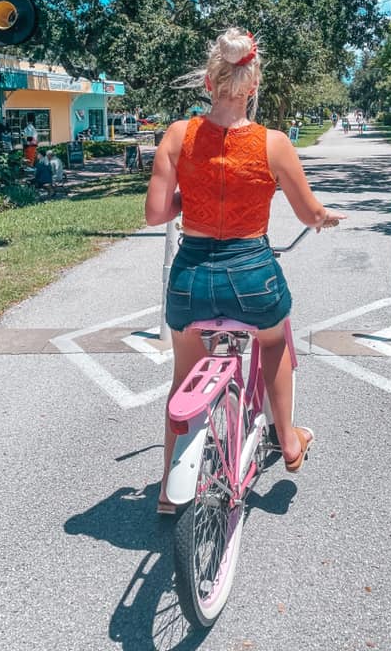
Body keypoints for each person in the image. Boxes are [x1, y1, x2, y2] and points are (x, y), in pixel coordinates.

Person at [145, 27, 346, 515]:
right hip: (251, 275)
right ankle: (291, 442)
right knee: (274, 339)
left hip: (191, 277)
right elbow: (307, 213)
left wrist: (188, 198)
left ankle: (168, 495)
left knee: (184, 371)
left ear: (210, 83)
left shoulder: (178, 135)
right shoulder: (273, 144)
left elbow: (155, 213)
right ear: (252, 86)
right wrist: (324, 217)